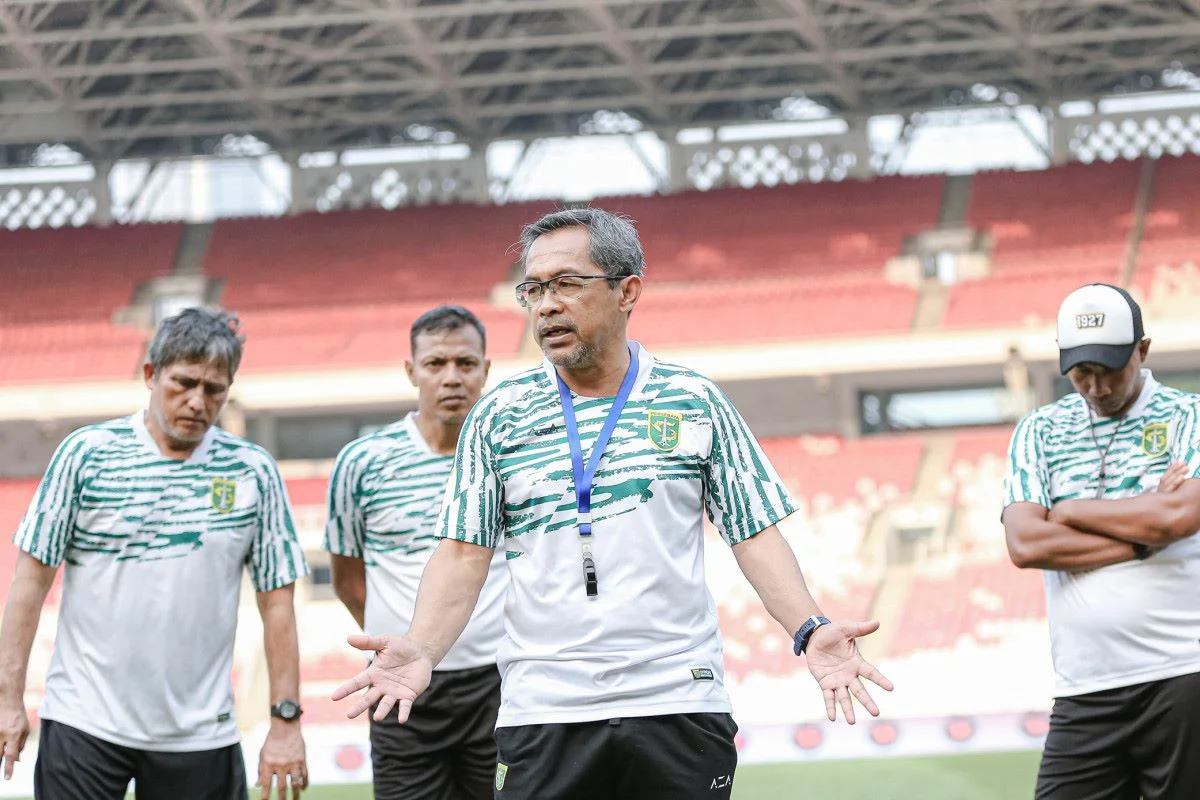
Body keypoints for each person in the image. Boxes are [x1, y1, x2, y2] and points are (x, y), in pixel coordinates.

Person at [331, 208, 893, 799]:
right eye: (533, 289)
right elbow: (463, 556)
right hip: (545, 707)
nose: (545, 305)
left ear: (628, 291)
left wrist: (809, 626)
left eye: (567, 284)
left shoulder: (692, 400)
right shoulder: (499, 416)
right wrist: (421, 647)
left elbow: (753, 534)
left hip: (677, 697)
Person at [0, 307, 310, 799]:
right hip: (84, 721)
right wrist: (7, 700)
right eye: (183, 383)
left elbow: (278, 605)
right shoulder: (86, 455)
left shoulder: (253, 471)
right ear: (150, 375)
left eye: (214, 390)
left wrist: (286, 720)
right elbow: (29, 583)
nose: (197, 401)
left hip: (201, 732)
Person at [1003, 282, 1200, 800]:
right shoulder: (1039, 430)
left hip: (1185, 673)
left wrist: (1069, 511)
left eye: (1110, 369)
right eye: (1081, 371)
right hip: (1085, 687)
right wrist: (1142, 535)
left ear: (1143, 350)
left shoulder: (1188, 416)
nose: (1094, 386)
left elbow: (1180, 514)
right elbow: (1025, 543)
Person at [324, 305, 507, 800]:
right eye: (435, 364)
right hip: (399, 684)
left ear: (486, 370)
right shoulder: (361, 463)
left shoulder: (512, 457)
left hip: (501, 684)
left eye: (466, 364)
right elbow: (346, 577)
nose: (452, 378)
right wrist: (410, 636)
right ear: (412, 371)